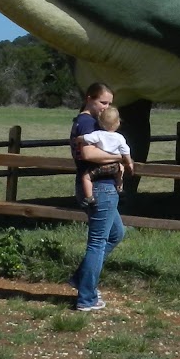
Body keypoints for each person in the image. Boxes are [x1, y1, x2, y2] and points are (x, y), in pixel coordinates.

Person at [69, 82, 126, 312]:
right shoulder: (88, 123)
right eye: (102, 102)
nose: (106, 108)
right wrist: (120, 157)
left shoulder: (91, 123)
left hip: (98, 186)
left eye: (109, 103)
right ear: (89, 98)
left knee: (116, 233)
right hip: (100, 187)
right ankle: (86, 298)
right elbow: (88, 153)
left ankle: (81, 278)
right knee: (97, 243)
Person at [76, 104, 136, 205]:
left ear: (100, 122)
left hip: (100, 167)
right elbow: (126, 151)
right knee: (120, 172)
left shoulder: (98, 134)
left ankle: (89, 197)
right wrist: (129, 163)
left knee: (86, 177)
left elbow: (87, 138)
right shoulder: (120, 137)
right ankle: (120, 189)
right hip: (115, 166)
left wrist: (79, 138)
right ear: (118, 123)